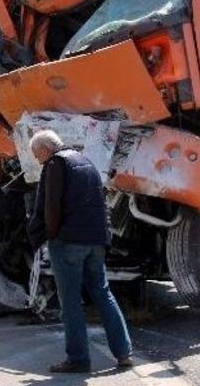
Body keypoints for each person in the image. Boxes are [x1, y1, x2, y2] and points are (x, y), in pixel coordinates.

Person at [26, 129, 132, 373]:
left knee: (70, 301)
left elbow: (50, 207)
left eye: (36, 155)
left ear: (44, 150)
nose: (37, 160)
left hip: (68, 242)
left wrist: (47, 236)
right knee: (103, 294)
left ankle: (78, 359)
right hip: (96, 240)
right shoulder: (86, 161)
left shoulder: (55, 165)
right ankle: (124, 353)